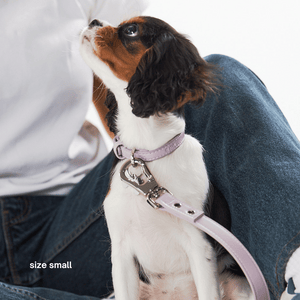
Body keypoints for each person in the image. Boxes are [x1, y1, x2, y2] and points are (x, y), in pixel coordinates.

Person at [0, 1, 299, 300]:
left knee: (225, 79)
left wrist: (149, 168)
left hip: (69, 218)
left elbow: (120, 75)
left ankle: (295, 270)